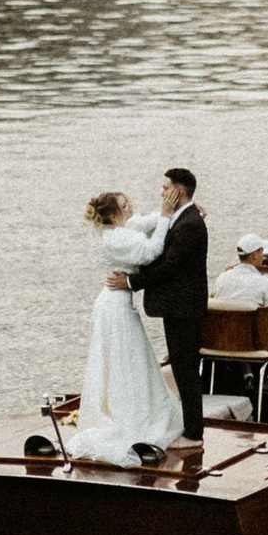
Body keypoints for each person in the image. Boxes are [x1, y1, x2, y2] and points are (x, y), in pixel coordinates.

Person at [71, 190, 181, 463]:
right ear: (112, 215)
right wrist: (168, 216)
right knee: (125, 361)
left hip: (117, 304)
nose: (130, 205)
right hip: (115, 308)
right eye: (124, 204)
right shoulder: (117, 238)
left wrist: (170, 213)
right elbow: (150, 251)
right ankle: (127, 418)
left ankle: (131, 409)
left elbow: (144, 222)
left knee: (130, 359)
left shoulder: (123, 228)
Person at [138, 165, 210, 445]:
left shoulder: (190, 224)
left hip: (185, 309)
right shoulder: (184, 218)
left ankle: (194, 433)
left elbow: (169, 265)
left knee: (186, 369)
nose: (161, 192)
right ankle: (191, 427)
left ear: (178, 192)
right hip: (179, 308)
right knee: (182, 366)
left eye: (165, 188)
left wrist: (132, 282)